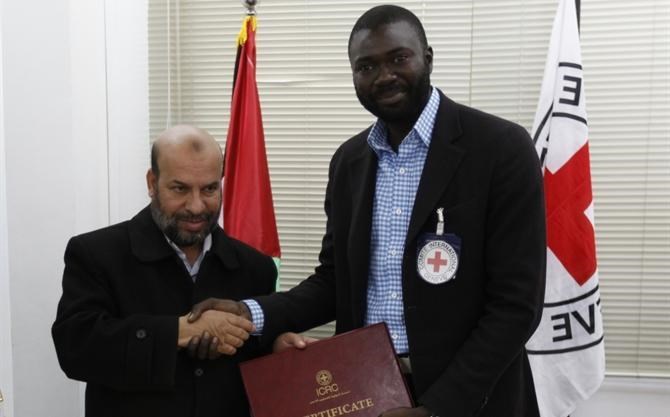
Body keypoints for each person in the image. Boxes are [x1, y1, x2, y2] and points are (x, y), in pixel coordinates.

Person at [192, 5, 546, 417]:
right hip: (367, 393)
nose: (384, 76)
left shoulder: (501, 149)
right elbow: (333, 283)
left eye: (399, 58)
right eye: (366, 66)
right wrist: (249, 313)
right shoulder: (349, 162)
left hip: (471, 401)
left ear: (427, 58)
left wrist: (438, 408)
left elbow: (516, 306)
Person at [52, 125, 277, 417]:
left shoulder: (256, 267)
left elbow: (259, 368)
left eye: (209, 189)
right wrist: (179, 331)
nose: (196, 206)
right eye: (180, 189)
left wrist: (278, 347)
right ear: (152, 182)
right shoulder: (96, 253)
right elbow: (76, 349)